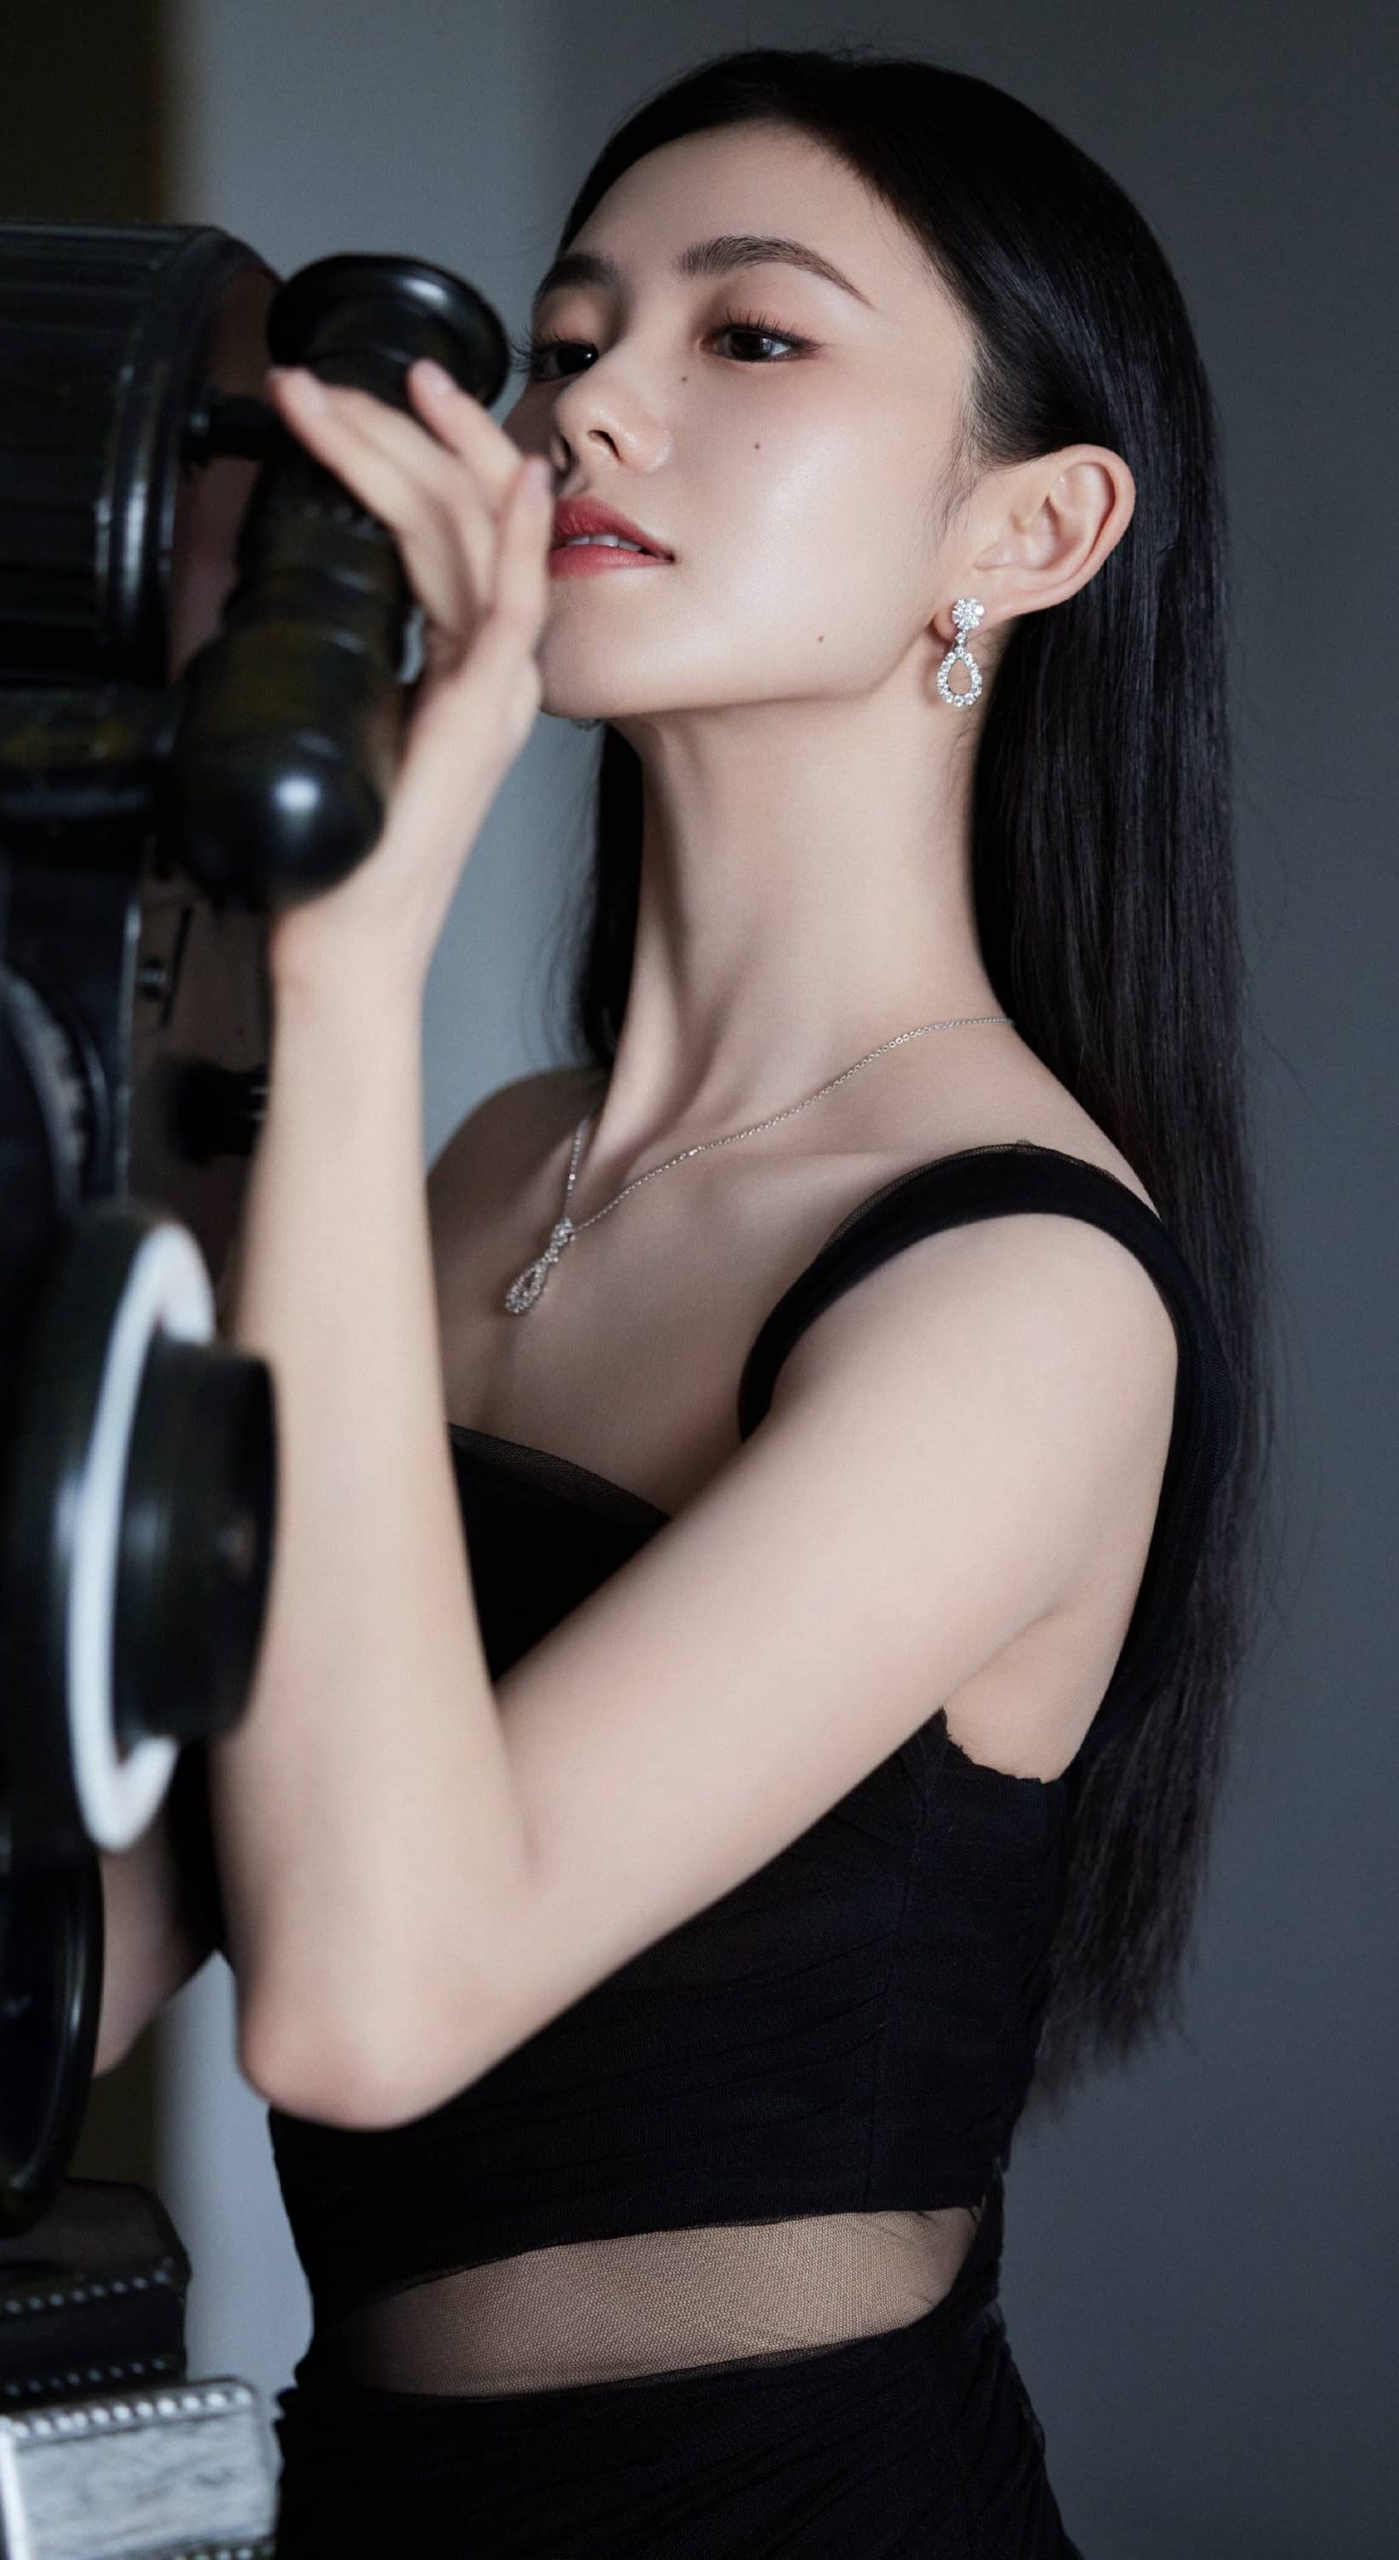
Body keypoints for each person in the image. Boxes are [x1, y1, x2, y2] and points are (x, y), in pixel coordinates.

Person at [138, 41, 1266, 2557]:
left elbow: (365, 1999)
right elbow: (121, 1902)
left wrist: (344, 958)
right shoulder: (483, 1171)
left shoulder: (1023, 1286)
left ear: (1032, 528)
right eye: (564, 340)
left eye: (749, 336)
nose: (586, 410)